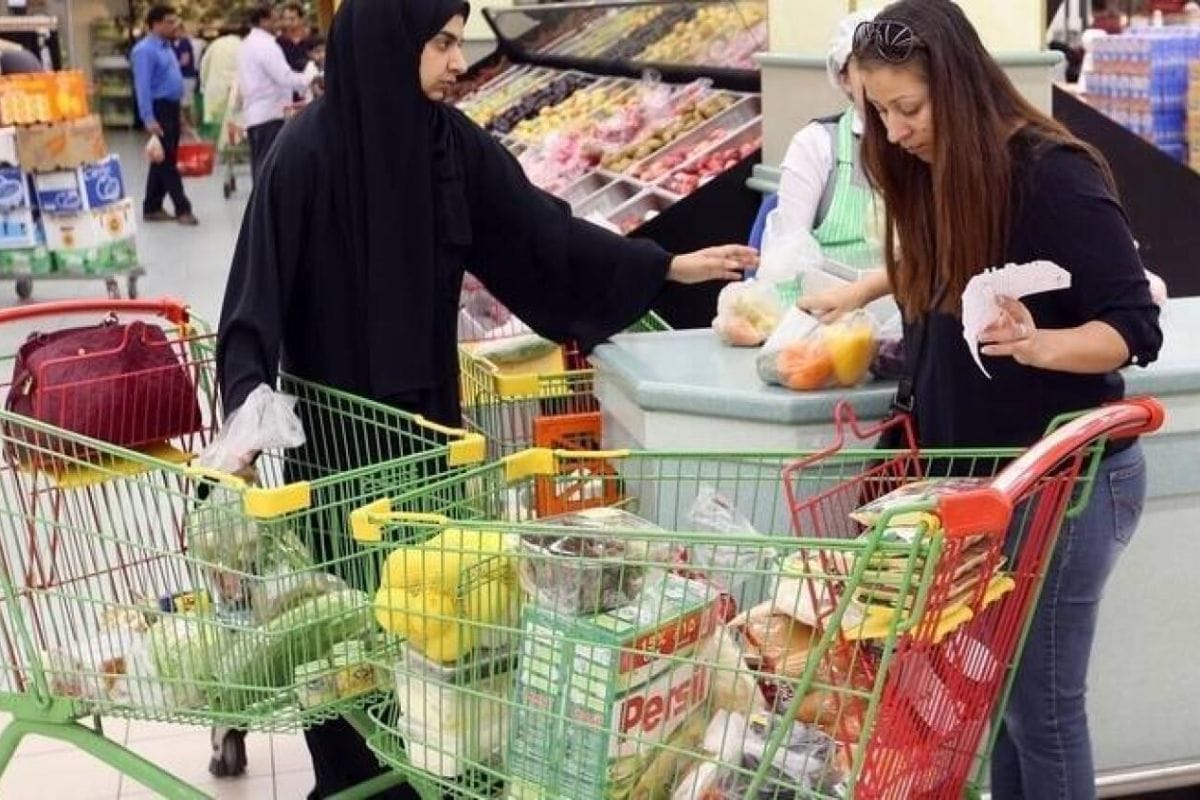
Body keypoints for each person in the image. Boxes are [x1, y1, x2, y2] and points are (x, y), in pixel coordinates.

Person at [216, 1, 755, 796]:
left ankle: (416, 777)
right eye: (440, 43)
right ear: (393, 38)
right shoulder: (304, 155)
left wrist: (661, 266)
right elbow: (252, 300)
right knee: (346, 637)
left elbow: (541, 237)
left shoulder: (449, 146)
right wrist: (245, 423)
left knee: (432, 633)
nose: (456, 63)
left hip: (434, 441)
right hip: (337, 454)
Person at [799, 3, 1162, 798]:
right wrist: (868, 286)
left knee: (1042, 708)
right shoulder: (939, 169)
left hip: (1068, 486)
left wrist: (1038, 344)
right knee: (998, 705)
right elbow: (958, 263)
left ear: (958, 88)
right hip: (983, 492)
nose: (894, 131)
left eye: (908, 107)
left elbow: (1134, 328)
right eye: (877, 111)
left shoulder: (1054, 175)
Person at [776, 9, 878, 260]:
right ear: (844, 78)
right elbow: (787, 252)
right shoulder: (817, 144)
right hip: (826, 283)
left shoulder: (922, 142)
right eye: (867, 66)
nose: (880, 78)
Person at [131, 5, 197, 226]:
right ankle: (183, 208)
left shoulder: (167, 47)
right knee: (167, 161)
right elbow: (142, 87)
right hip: (158, 108)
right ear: (155, 24)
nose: (174, 26)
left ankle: (152, 206)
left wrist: (180, 113)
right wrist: (148, 117)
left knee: (162, 158)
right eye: (169, 22)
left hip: (171, 107)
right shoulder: (144, 51)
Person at [236, 5, 310, 179]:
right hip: (269, 114)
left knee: (260, 167)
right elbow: (284, 77)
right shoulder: (266, 45)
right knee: (269, 169)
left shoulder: (246, 44)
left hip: (255, 115)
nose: (280, 22)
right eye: (275, 18)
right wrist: (310, 78)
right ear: (264, 21)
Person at [199, 25, 243, 131]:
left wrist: (203, 85)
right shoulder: (242, 44)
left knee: (216, 122)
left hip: (216, 86)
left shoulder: (214, 45)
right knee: (234, 121)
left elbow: (204, 65)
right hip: (236, 87)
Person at [172, 21, 199, 128]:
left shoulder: (184, 43)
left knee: (186, 104)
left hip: (186, 76)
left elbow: (185, 60)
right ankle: (188, 126)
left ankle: (192, 126)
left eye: (175, 31)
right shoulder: (177, 43)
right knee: (184, 104)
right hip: (183, 76)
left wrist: (172, 66)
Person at [277, 1, 311, 73]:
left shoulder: (311, 39)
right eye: (285, 19)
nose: (288, 23)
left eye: (292, 19)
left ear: (301, 19)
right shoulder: (278, 42)